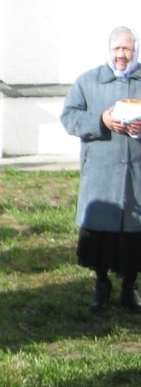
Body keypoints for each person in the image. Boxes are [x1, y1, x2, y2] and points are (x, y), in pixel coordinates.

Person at [60, 26, 141, 313]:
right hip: (101, 174)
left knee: (135, 235)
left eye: (127, 49)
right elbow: (69, 118)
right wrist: (102, 121)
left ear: (135, 51)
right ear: (110, 50)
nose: (122, 55)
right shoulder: (88, 81)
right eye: (117, 49)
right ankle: (101, 284)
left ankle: (129, 287)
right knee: (101, 234)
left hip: (136, 175)